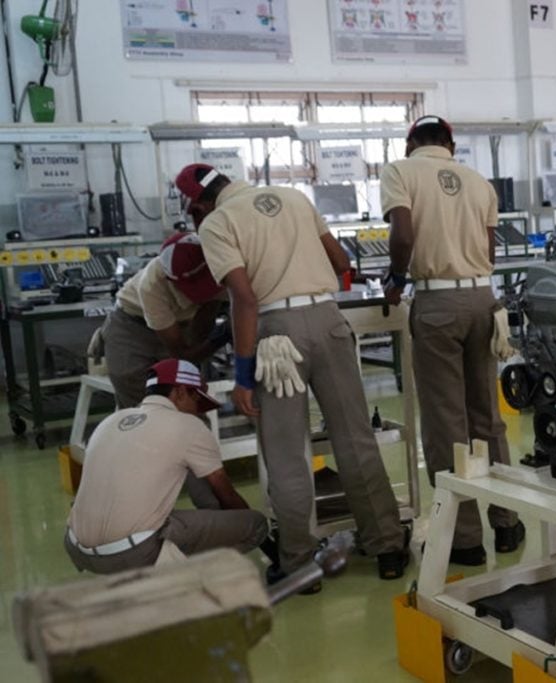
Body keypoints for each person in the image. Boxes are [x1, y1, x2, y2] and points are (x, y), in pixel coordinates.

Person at [179, 163, 408, 581]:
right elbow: (341, 260)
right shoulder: (294, 197)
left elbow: (243, 300)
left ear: (197, 204)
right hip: (328, 320)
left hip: (275, 339)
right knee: (356, 441)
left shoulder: (218, 224)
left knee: (287, 455)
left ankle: (300, 563)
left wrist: (244, 376)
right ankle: (387, 546)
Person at [380, 115, 524, 567]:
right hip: (483, 301)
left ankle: (465, 539)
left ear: (410, 143)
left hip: (437, 304)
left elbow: (402, 234)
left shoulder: (400, 172)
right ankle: (506, 522)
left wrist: (397, 278)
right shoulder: (478, 181)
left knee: (446, 422)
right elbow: (489, 250)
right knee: (487, 417)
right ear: (450, 143)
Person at [64, 359, 268, 575]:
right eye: (197, 401)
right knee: (256, 525)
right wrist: (245, 525)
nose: (198, 412)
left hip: (76, 547)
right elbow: (226, 495)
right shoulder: (188, 425)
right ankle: (187, 579)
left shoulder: (110, 421)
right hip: (130, 554)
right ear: (180, 392)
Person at [100, 232, 228, 409]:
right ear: (170, 279)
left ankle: (189, 433)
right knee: (141, 404)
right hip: (132, 328)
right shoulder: (152, 285)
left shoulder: (220, 266)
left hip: (182, 323)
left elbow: (204, 323)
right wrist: (218, 339)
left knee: (185, 400)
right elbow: (181, 354)